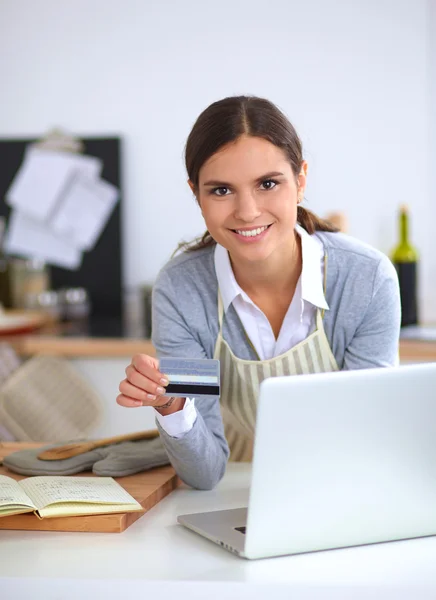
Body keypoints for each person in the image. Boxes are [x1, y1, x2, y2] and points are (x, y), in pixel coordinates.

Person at [117, 96, 401, 490]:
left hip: (342, 486)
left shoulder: (365, 280)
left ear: (300, 180)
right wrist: (172, 404)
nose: (247, 211)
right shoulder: (182, 290)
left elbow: (366, 436)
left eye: (268, 184)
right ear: (196, 194)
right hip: (232, 491)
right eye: (220, 191)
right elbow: (204, 472)